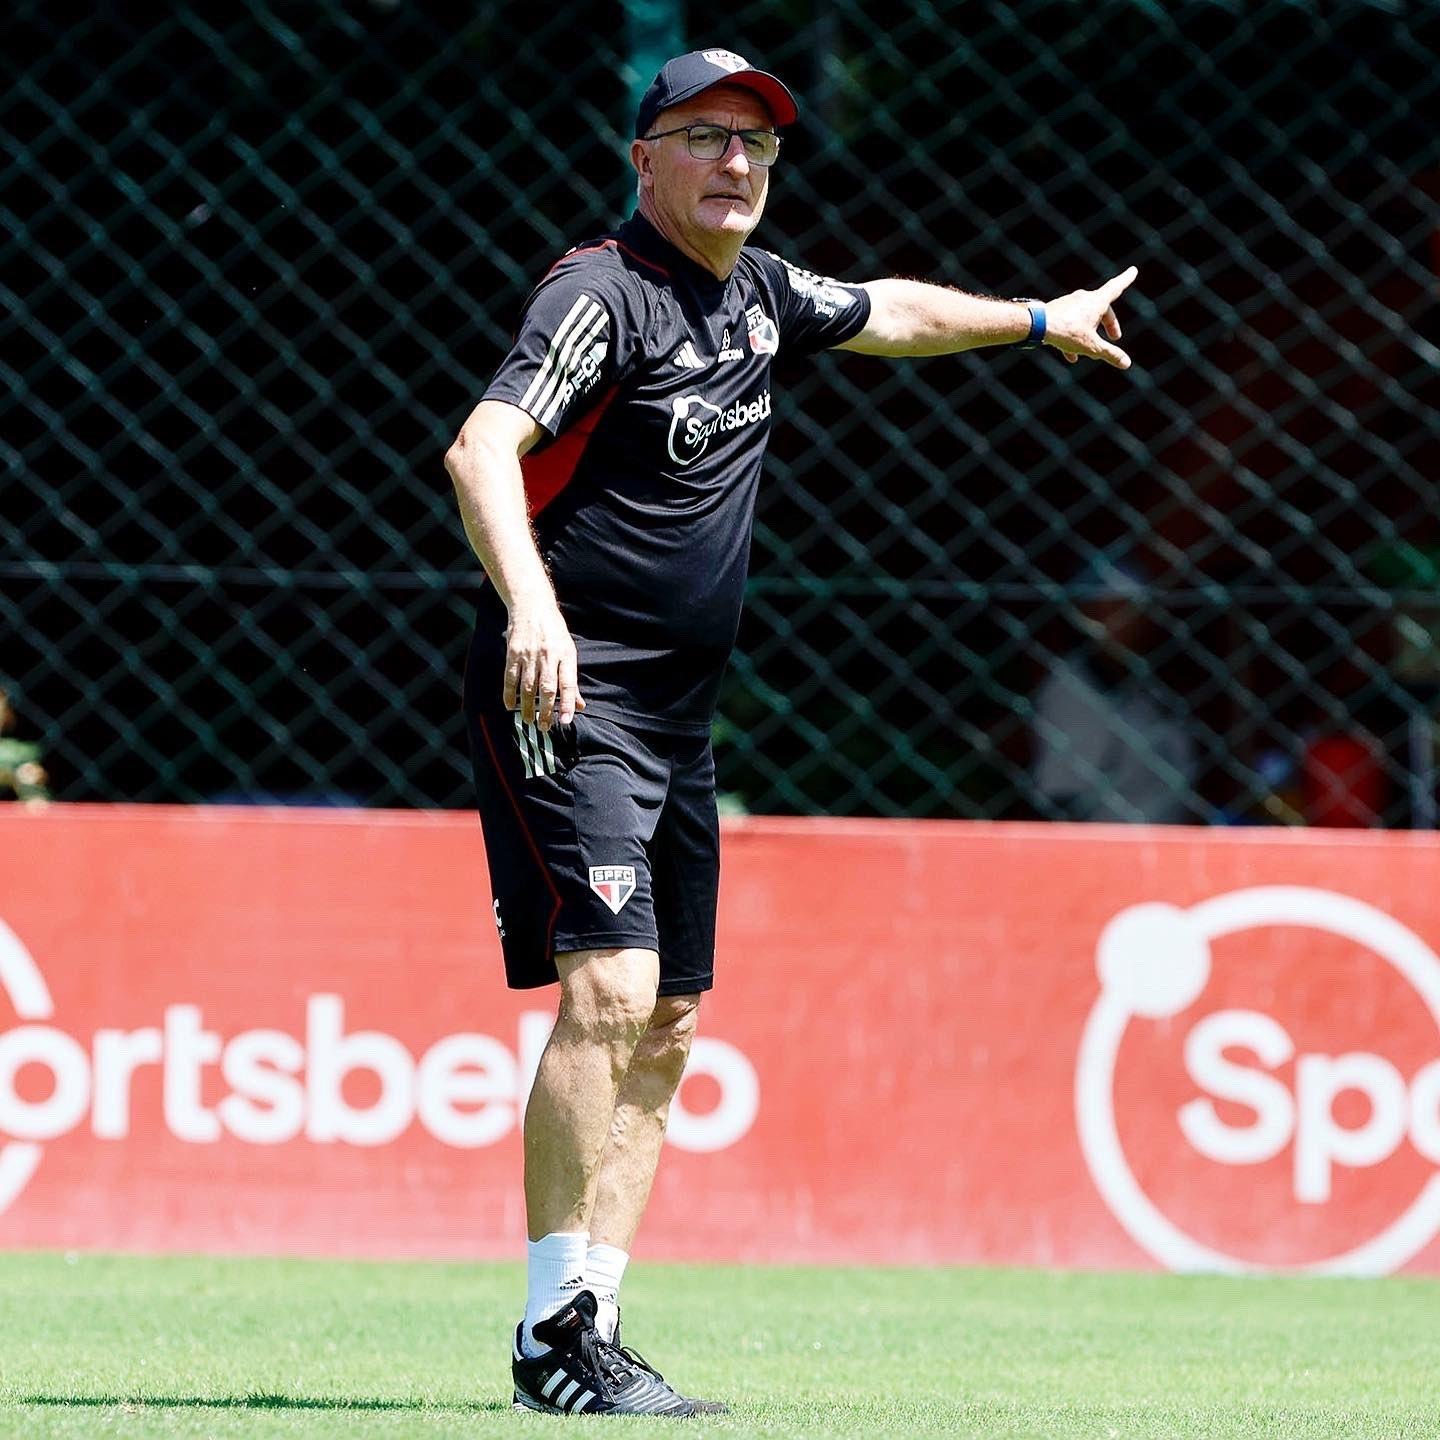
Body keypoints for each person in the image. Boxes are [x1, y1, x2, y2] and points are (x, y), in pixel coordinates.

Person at [445, 48, 1136, 1417]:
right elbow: (480, 449)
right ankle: (545, 1339)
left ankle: (596, 1319)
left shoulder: (757, 297)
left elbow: (888, 312)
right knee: (610, 994)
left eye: (757, 142)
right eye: (705, 137)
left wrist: (1041, 322)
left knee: (677, 1018)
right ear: (644, 157)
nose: (738, 163)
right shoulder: (603, 295)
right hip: (569, 694)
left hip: (683, 713)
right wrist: (531, 607)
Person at [1031, 553, 1197, 823]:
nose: (1126, 620)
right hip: (1105, 852)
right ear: (1086, 614)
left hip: (1167, 846)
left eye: (1134, 608)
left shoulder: (1148, 687)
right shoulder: (1070, 690)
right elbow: (1062, 796)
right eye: (1113, 608)